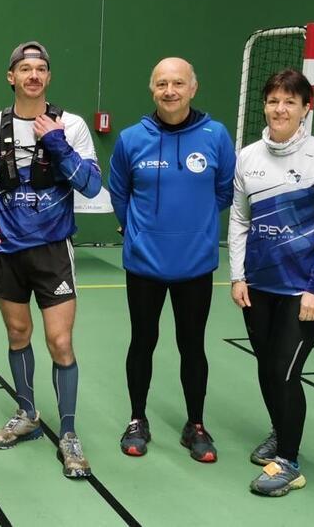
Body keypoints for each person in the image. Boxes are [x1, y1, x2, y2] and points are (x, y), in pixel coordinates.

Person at [0, 42, 102, 478]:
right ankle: (27, 413)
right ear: (11, 77)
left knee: (60, 343)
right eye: (25, 68)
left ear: (48, 78)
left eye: (41, 69)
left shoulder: (73, 125)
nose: (33, 75)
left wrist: (57, 142)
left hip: (53, 249)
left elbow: (89, 186)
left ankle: (68, 434)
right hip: (7, 247)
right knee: (17, 332)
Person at [108, 57, 236, 463]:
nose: (170, 91)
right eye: (162, 84)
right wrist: (139, 231)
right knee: (142, 341)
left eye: (178, 83)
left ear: (193, 88)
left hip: (195, 265)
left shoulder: (216, 136)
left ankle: (195, 425)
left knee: (192, 346)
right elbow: (119, 192)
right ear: (152, 90)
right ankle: (136, 419)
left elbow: (224, 191)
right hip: (144, 263)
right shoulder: (131, 139)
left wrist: (195, 227)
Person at [229, 68, 314, 497]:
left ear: (305, 108)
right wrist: (237, 275)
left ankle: (290, 463)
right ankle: (281, 433)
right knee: (266, 368)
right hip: (258, 288)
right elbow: (240, 219)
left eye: (290, 102)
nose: (280, 109)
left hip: (304, 291)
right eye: (274, 100)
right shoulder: (248, 157)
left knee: (283, 371)